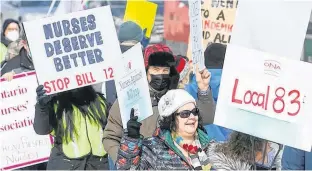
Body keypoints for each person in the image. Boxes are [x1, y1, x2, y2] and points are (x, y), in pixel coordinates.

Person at [103, 43, 216, 163]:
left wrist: (204, 90)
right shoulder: (128, 100)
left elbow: (207, 118)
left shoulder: (178, 97)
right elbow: (110, 137)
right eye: (156, 70)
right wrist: (125, 162)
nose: (161, 75)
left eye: (165, 70)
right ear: (146, 71)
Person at [117, 89, 251, 170]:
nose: (192, 117)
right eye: (185, 114)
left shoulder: (213, 148)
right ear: (171, 119)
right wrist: (131, 140)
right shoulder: (152, 148)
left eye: (195, 112)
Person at [33, 85, 110, 170]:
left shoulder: (99, 100)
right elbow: (42, 129)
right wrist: (42, 107)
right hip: (67, 165)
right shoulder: (56, 103)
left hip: (98, 165)